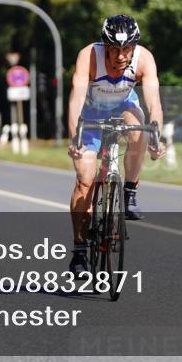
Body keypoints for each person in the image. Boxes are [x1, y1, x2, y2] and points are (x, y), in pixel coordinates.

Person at [66, 14, 164, 276]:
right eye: (114, 49)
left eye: (126, 50)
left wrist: (156, 135)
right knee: (85, 180)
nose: (121, 56)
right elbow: (75, 97)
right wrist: (75, 136)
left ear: (134, 48)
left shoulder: (144, 59)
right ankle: (78, 250)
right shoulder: (88, 56)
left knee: (139, 132)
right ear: (104, 46)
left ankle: (130, 193)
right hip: (90, 113)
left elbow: (154, 103)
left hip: (124, 106)